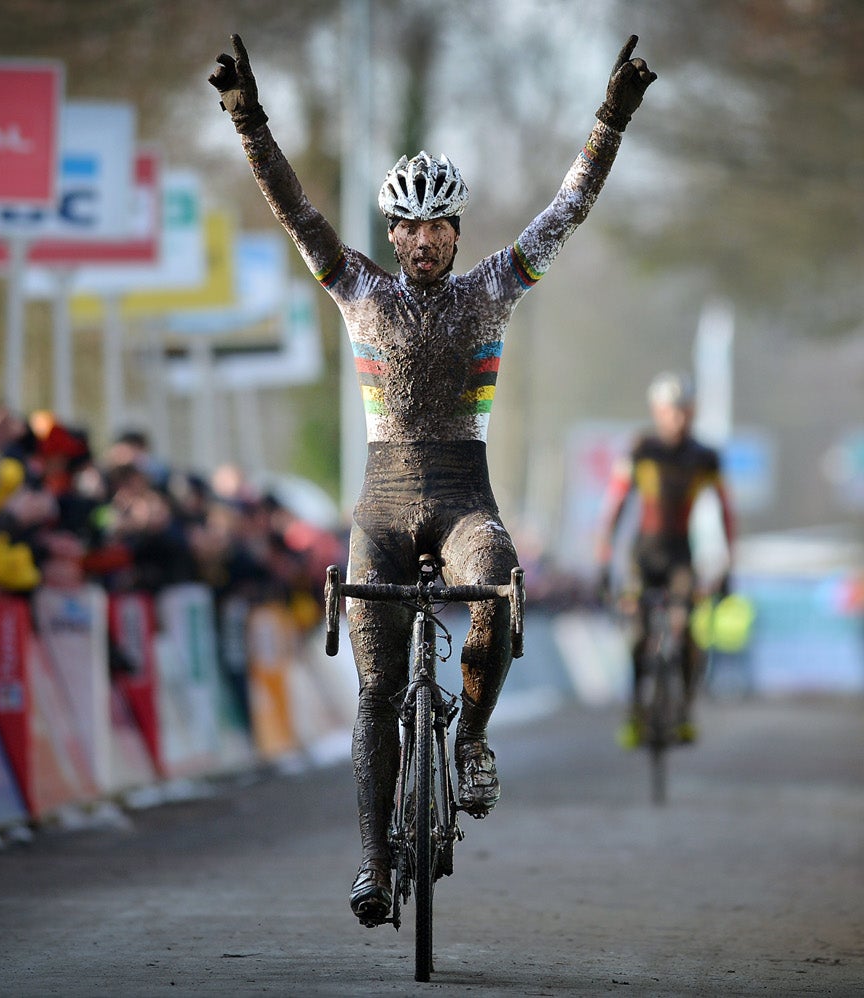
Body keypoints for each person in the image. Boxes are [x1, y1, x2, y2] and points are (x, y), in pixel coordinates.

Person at [208, 30, 656, 924]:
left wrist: (609, 120)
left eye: (437, 225)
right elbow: (296, 211)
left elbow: (567, 210)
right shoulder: (356, 289)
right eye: (407, 225)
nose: (421, 239)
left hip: (462, 500)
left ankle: (475, 742)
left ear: (456, 231)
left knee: (495, 581)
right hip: (381, 504)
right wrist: (248, 119)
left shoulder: (496, 286)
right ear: (393, 232)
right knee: (377, 692)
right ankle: (374, 864)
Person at [596, 372, 735, 745]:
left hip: (680, 558)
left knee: (687, 626)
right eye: (671, 411)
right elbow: (616, 505)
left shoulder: (705, 458)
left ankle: (686, 709)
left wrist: (728, 564)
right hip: (645, 555)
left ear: (693, 413)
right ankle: (636, 713)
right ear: (658, 411)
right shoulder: (641, 449)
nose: (678, 418)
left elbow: (726, 512)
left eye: (684, 411)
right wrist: (604, 556)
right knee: (639, 634)